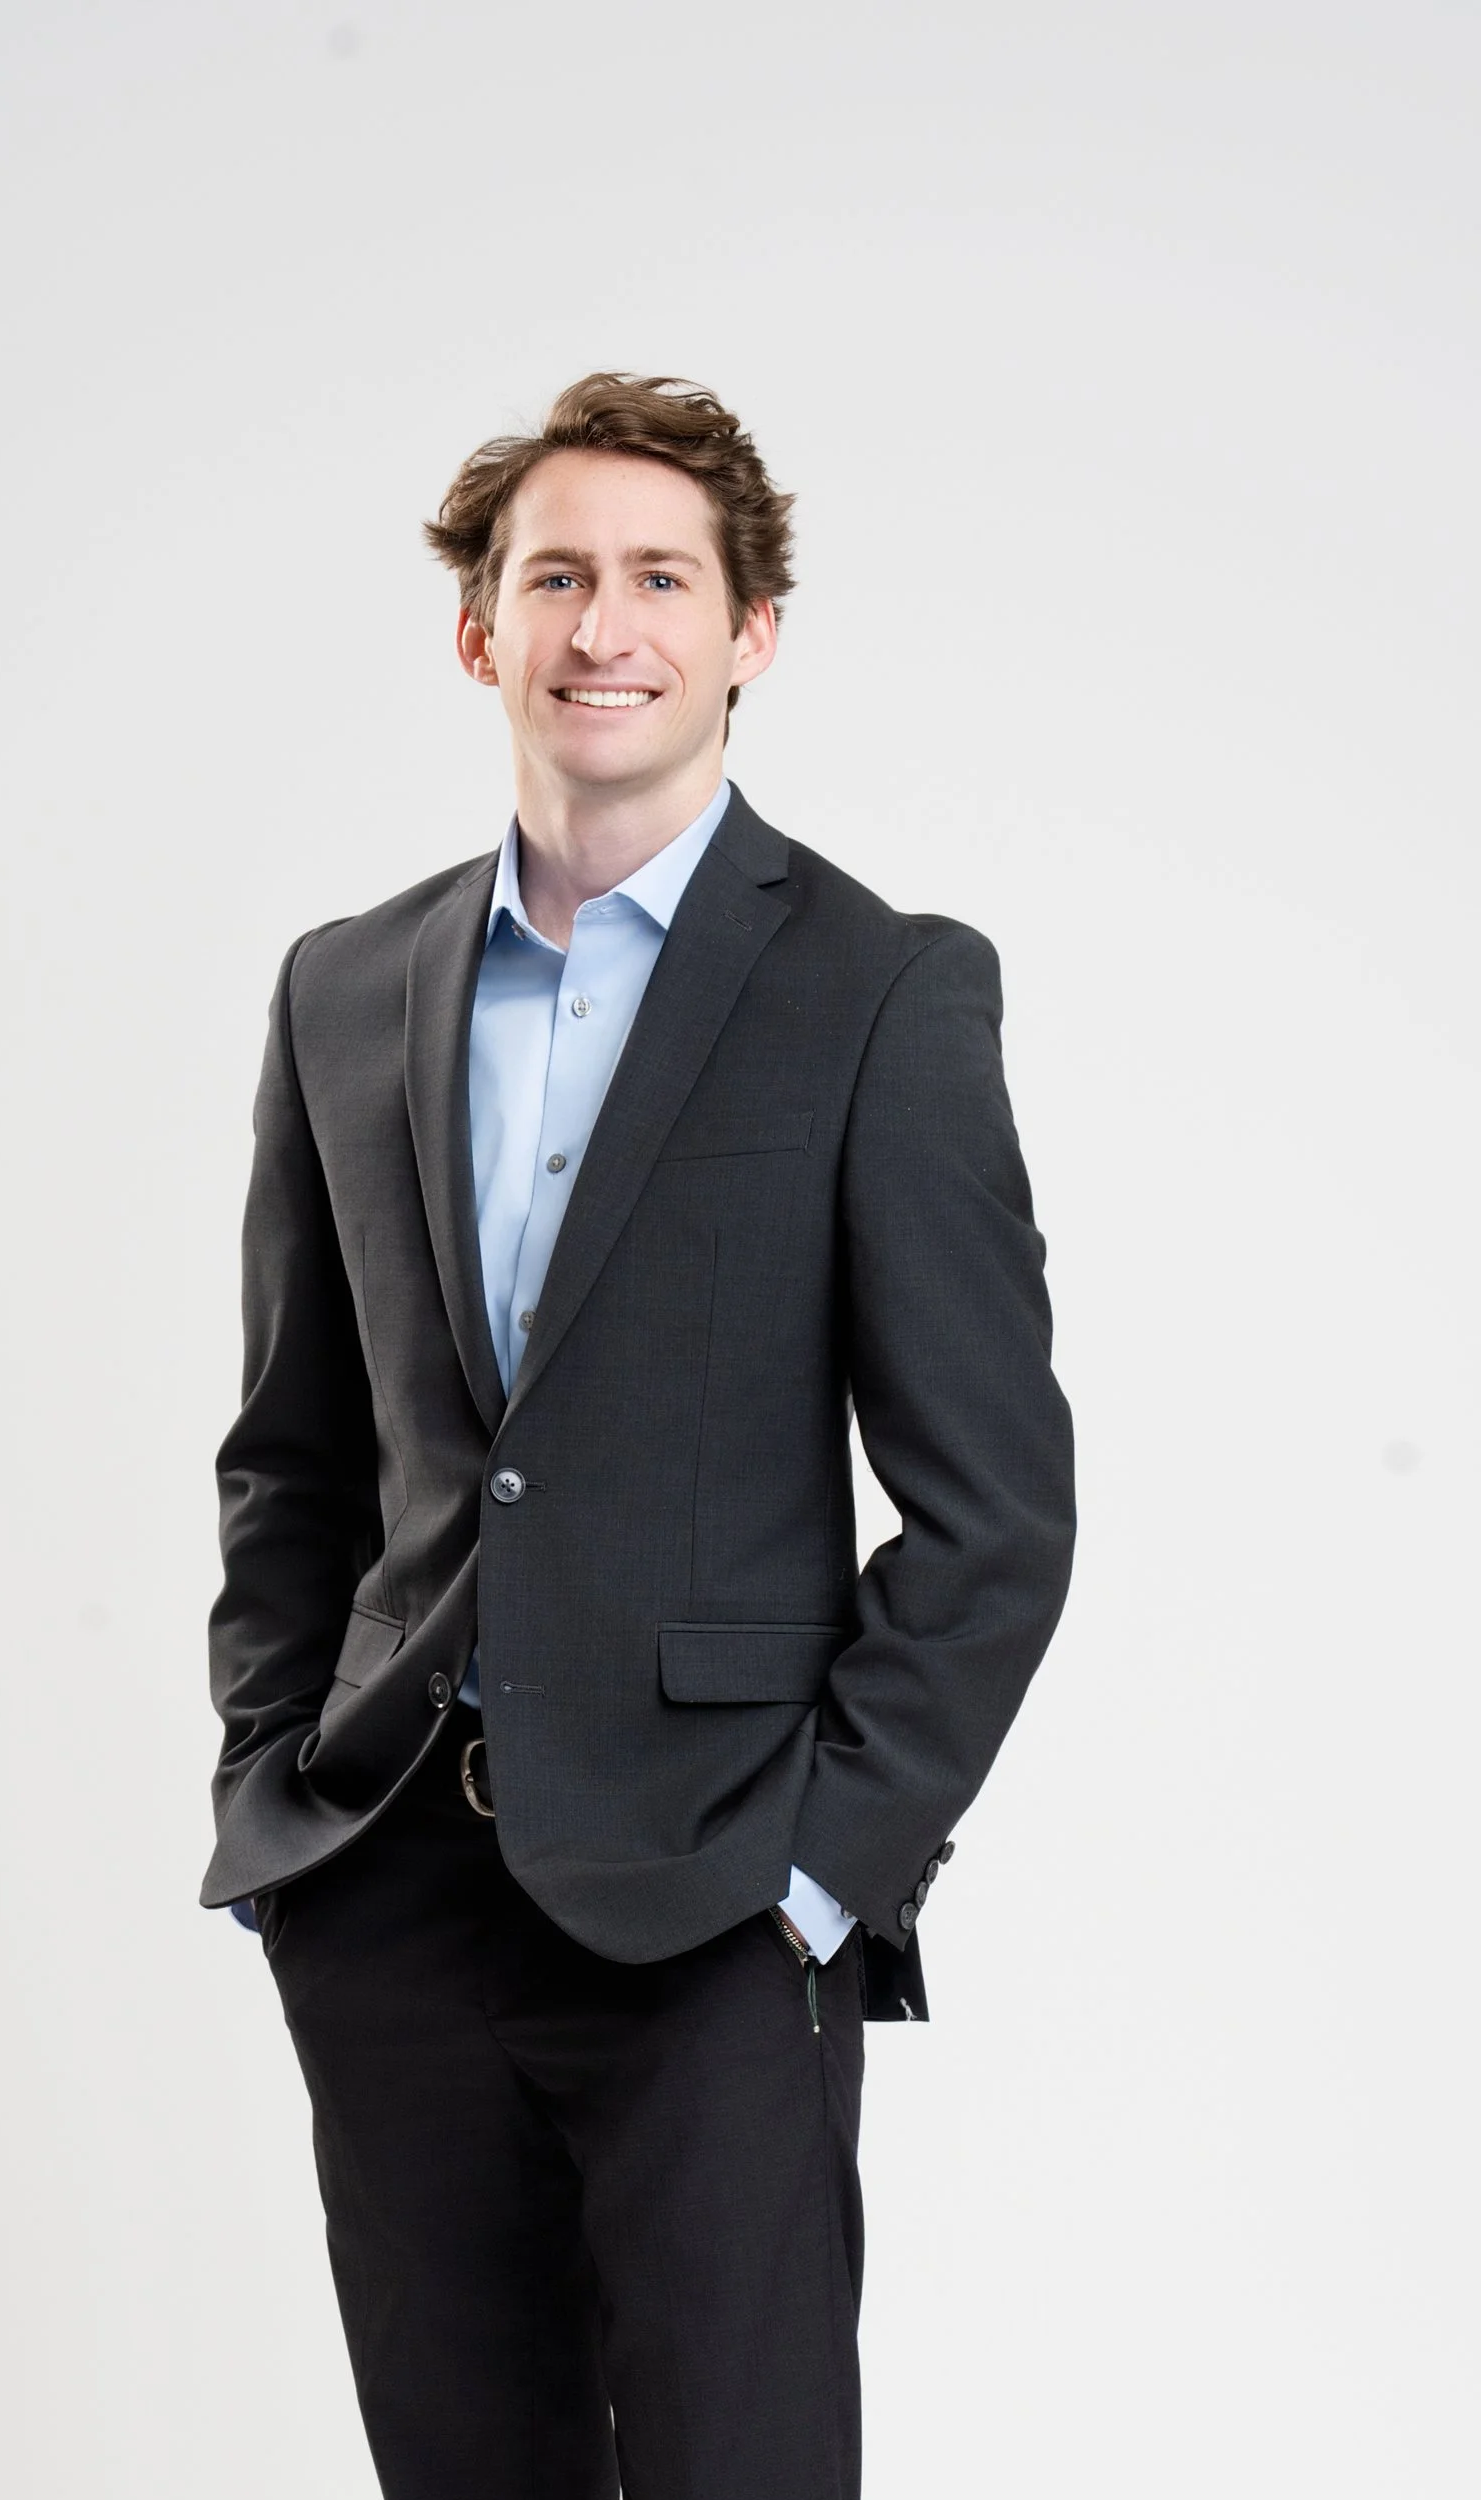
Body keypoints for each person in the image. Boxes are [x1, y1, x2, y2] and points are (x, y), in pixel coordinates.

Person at [202, 371, 1076, 2500]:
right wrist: (273, 1792)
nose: (605, 624)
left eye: (658, 577)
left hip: (711, 1908)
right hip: (391, 1889)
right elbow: (293, 1456)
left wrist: (811, 1878)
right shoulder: (346, 987)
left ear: (748, 631)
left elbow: (991, 1516)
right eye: (556, 575)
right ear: (478, 631)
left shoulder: (877, 988)